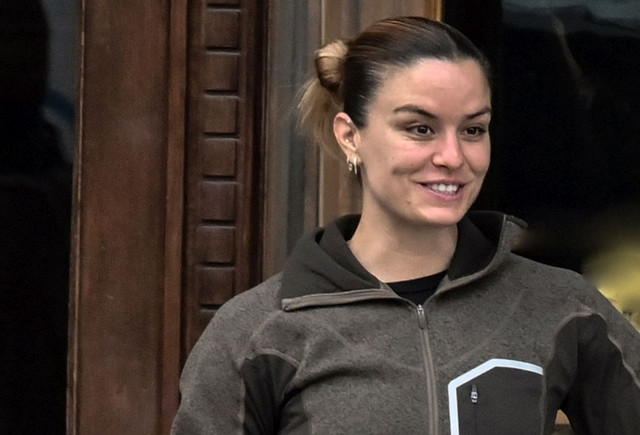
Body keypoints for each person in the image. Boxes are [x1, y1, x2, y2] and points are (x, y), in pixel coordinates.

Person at [172, 16, 640, 434]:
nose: (453, 156)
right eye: (420, 128)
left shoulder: (562, 307)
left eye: (473, 129)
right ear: (350, 136)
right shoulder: (258, 332)